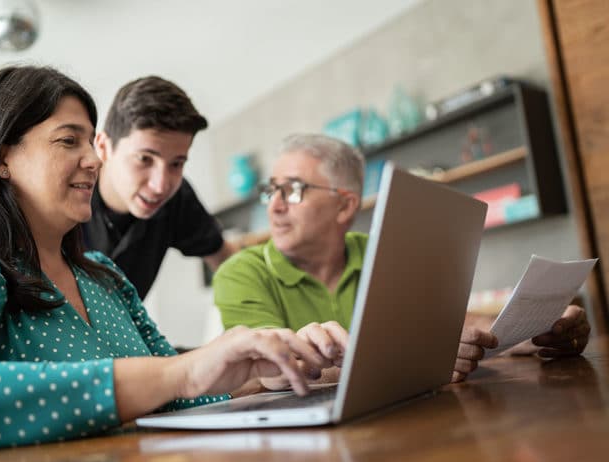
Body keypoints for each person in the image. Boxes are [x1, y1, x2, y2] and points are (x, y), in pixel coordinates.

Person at [0, 66, 343, 455]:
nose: (93, 159)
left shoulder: (105, 277)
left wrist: (265, 373)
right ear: (0, 158)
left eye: (91, 142)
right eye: (69, 141)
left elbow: (176, 396)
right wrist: (183, 373)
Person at [212, 133, 592, 383]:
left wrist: (534, 331)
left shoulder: (381, 249)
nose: (274, 207)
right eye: (271, 190)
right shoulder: (239, 272)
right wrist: (418, 359)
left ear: (345, 206)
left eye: (292, 190)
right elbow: (268, 373)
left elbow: (448, 324)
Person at [0, 75, 236, 344]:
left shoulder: (174, 203)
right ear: (105, 147)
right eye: (145, 159)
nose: (161, 184)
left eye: (177, 163)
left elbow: (226, 258)